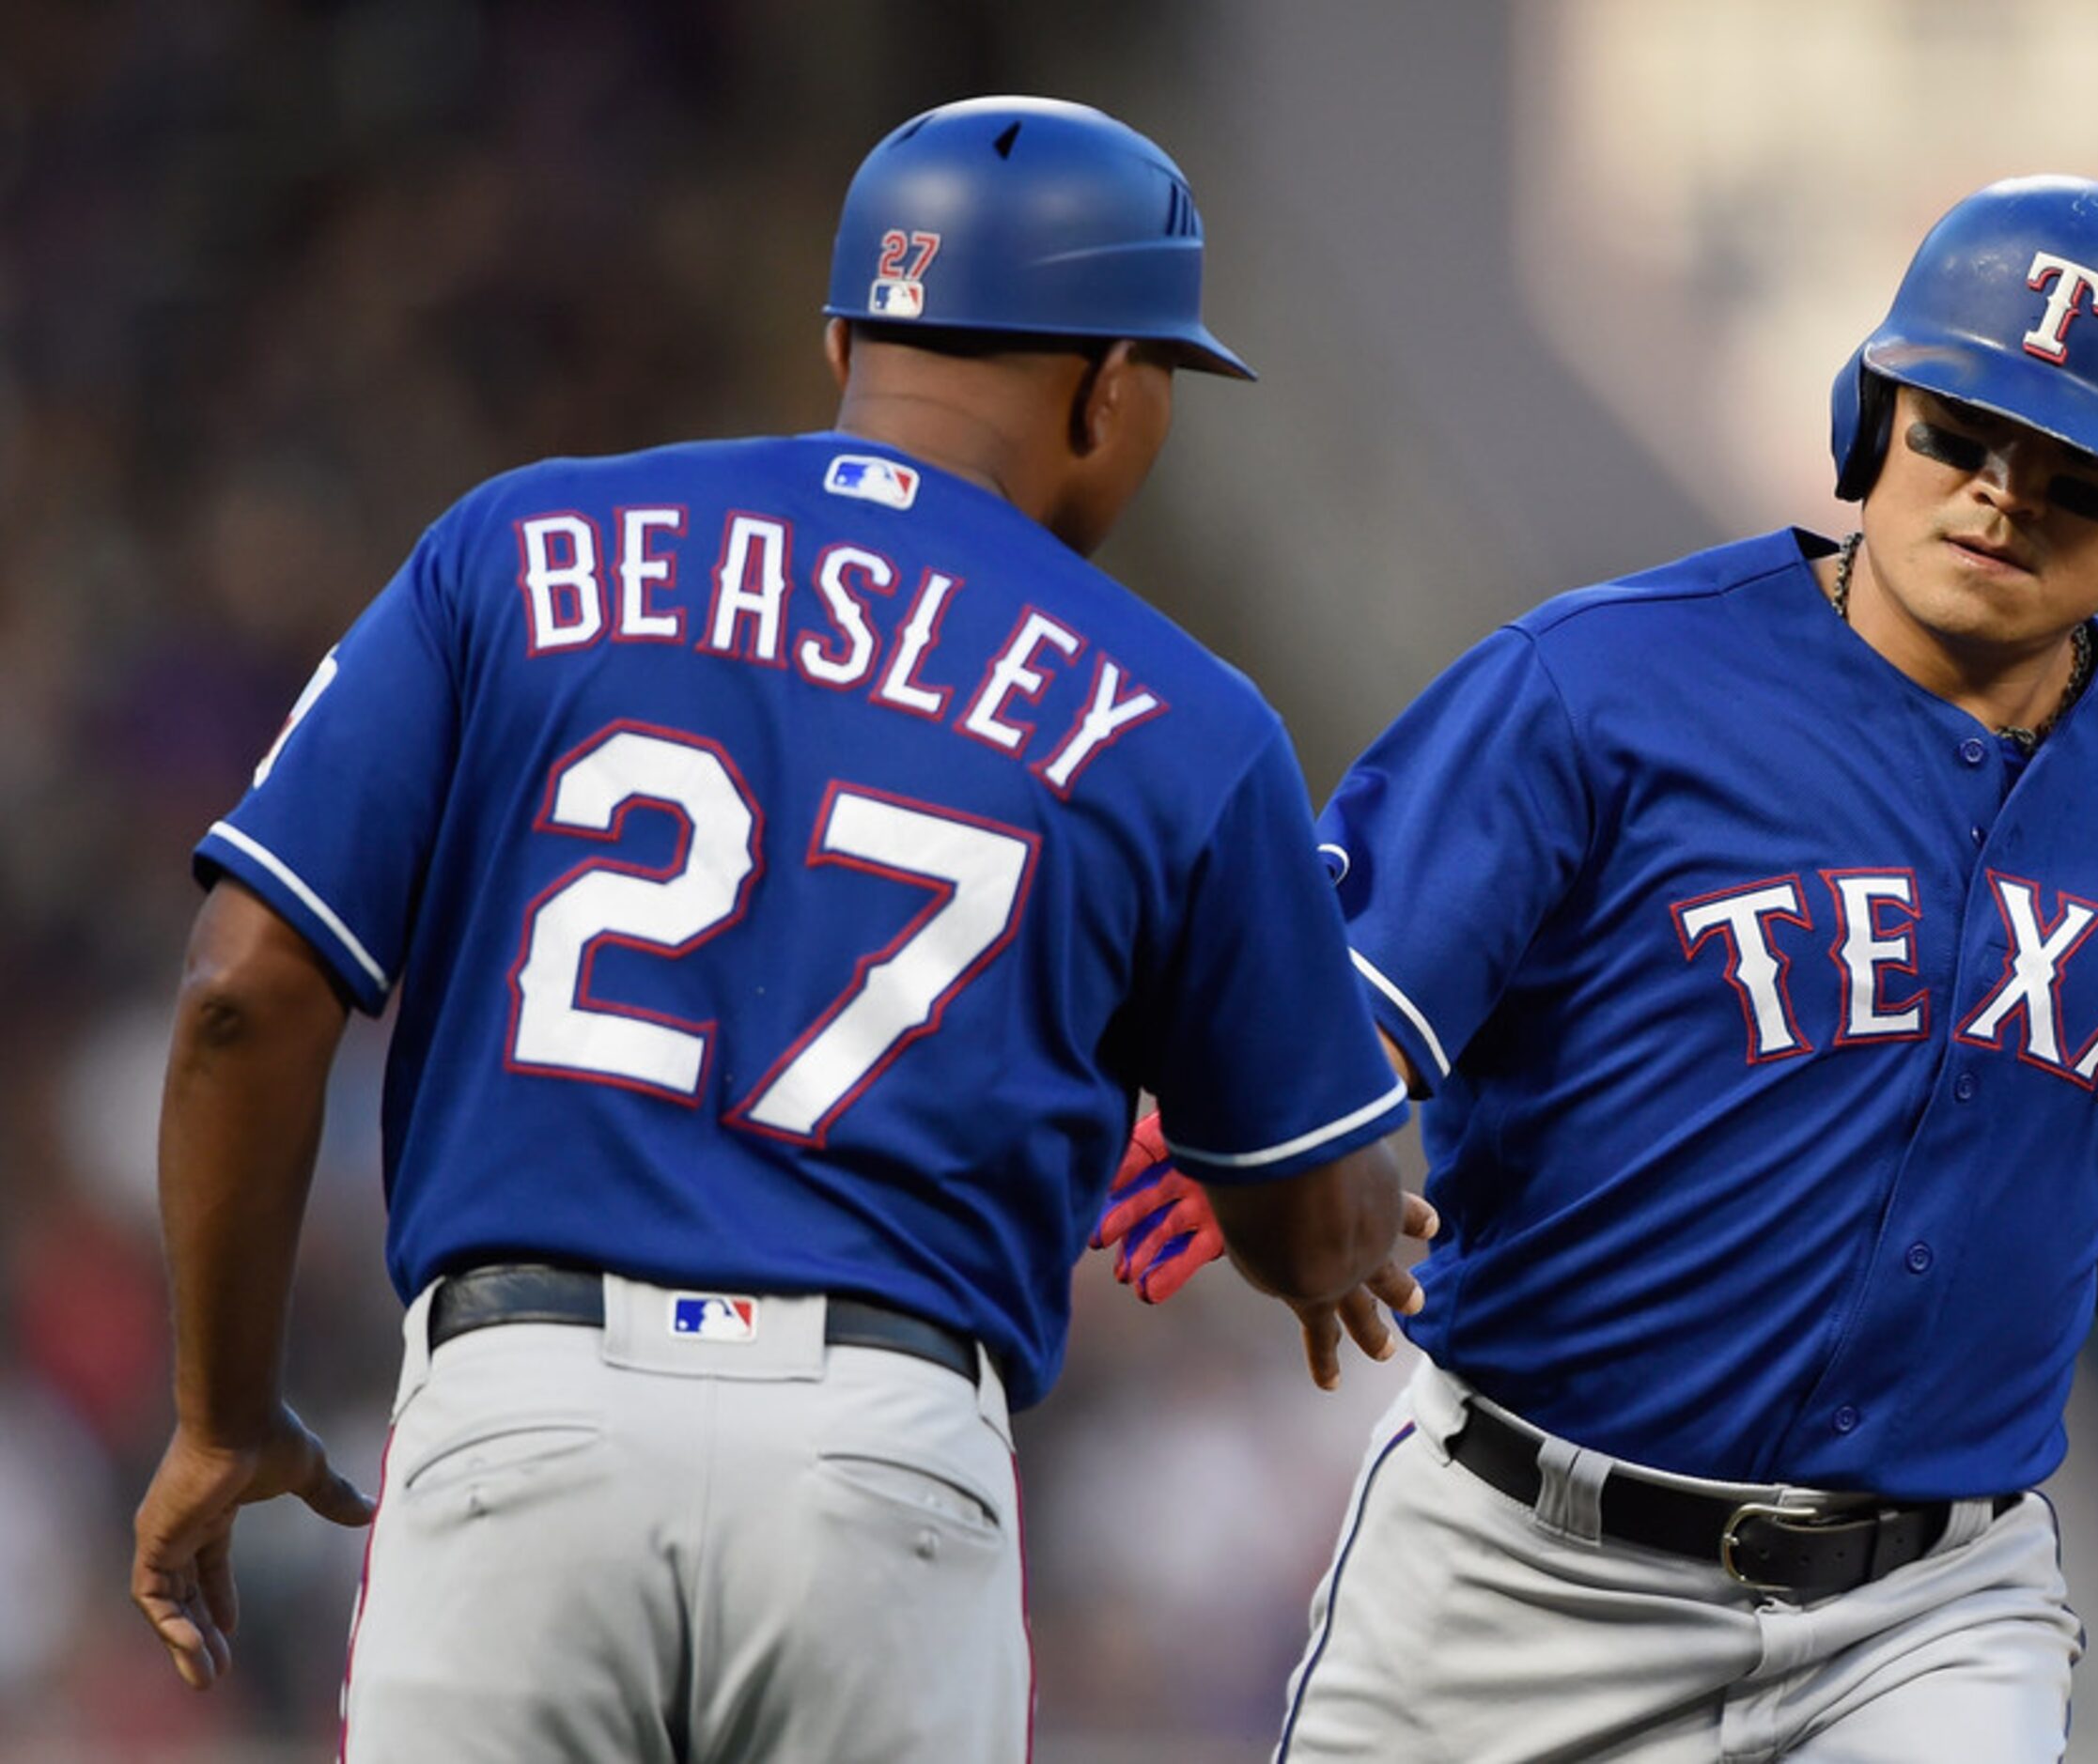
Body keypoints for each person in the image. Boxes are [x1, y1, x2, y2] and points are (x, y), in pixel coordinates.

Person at [128, 95, 1413, 1763]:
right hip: (882, 1467)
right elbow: (1319, 1230)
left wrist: (222, 1417)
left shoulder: (516, 546)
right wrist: (1337, 1210)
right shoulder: (1184, 712)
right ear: (1109, 384)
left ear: (842, 336)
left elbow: (241, 988)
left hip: (522, 1426)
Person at [1097, 176, 2098, 1760]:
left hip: (1932, 1607)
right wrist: (1263, 1105)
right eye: (1960, 433)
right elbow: (1360, 994)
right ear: (1868, 416)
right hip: (1523, 1570)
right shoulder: (1597, 688)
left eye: (2078, 475)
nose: (2002, 497)